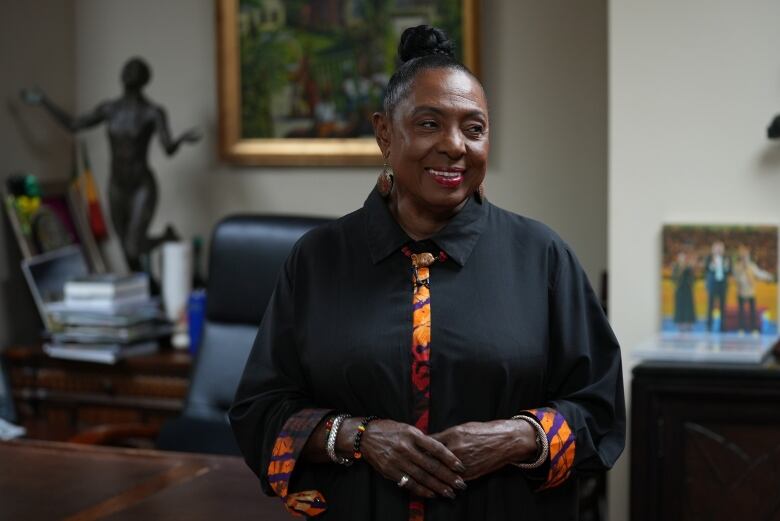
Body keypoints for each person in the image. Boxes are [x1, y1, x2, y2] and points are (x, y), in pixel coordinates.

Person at [230, 25, 625, 521]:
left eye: (474, 129)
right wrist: (359, 437)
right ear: (384, 133)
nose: (455, 146)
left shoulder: (542, 256)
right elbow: (259, 412)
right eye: (429, 124)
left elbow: (601, 410)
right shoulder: (317, 259)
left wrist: (516, 437)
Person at [20, 57, 200, 271]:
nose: (128, 73)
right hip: (117, 185)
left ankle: (166, 238)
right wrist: (44, 101)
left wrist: (181, 139)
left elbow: (168, 148)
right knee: (126, 251)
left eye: (133, 70)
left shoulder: (152, 112)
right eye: (126, 69)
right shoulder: (110, 109)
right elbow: (74, 124)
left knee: (133, 248)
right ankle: (144, 289)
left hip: (141, 185)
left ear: (144, 79)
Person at [733, 244, 773, 334]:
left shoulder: (752, 266)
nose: (744, 256)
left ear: (748, 256)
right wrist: (742, 269)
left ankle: (753, 328)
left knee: (752, 311)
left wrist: (769, 276)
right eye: (742, 255)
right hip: (741, 291)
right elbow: (736, 277)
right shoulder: (737, 266)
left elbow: (759, 273)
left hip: (751, 291)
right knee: (741, 311)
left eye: (746, 255)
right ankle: (741, 328)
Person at [703, 241, 732, 333]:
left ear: (723, 249)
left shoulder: (727, 258)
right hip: (712, 284)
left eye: (721, 248)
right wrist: (712, 265)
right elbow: (706, 268)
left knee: (723, 306)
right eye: (717, 248)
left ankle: (723, 326)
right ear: (713, 249)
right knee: (710, 305)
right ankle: (709, 326)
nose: (719, 250)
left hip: (722, 284)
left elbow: (730, 270)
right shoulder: (709, 258)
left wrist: (726, 267)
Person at [672, 250, 696, 331]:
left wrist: (690, 284)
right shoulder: (675, 267)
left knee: (688, 306)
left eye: (683, 258)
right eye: (680, 258)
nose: (682, 259)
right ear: (678, 259)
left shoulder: (689, 267)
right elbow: (674, 278)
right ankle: (680, 322)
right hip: (679, 289)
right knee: (680, 306)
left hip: (687, 289)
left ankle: (688, 322)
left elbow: (692, 278)